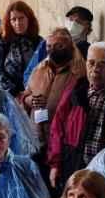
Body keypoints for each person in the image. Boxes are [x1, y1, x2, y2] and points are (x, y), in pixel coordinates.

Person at [49, 41, 105, 191]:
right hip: (76, 167)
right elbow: (57, 129)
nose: (95, 69)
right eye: (91, 63)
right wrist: (55, 164)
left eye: (103, 64)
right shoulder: (74, 93)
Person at [23, 28, 86, 162]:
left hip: (62, 141)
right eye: (49, 46)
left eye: (59, 46)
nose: (53, 49)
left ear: (70, 46)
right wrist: (30, 100)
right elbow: (25, 94)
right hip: (36, 138)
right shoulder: (40, 68)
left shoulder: (80, 73)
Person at [0, 0, 46, 96]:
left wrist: (31, 93)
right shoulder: (1, 41)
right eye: (13, 19)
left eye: (21, 18)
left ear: (29, 18)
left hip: (33, 95)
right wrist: (14, 92)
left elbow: (44, 69)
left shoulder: (38, 42)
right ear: (8, 21)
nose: (18, 23)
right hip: (7, 96)